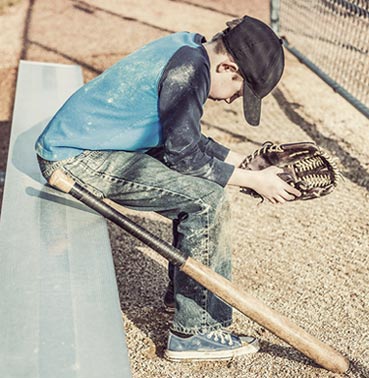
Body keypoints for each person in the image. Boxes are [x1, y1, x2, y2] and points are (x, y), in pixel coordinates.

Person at [35, 15, 301, 362]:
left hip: (90, 146)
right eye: (240, 90)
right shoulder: (189, 73)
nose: (234, 100)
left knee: (200, 192)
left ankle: (187, 297)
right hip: (76, 159)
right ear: (227, 66)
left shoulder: (190, 48)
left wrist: (247, 163)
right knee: (206, 201)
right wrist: (254, 181)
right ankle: (197, 331)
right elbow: (185, 156)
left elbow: (185, 139)